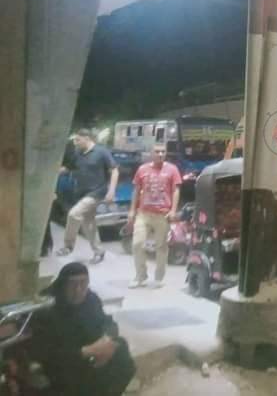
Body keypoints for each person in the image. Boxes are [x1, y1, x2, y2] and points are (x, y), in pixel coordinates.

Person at [33, 262, 136, 396]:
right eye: (73, 284)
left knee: (120, 347)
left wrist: (105, 341)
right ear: (63, 284)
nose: (78, 290)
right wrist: (87, 351)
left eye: (83, 283)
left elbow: (108, 322)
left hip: (93, 354)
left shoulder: (91, 299)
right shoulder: (47, 306)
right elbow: (46, 352)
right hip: (65, 363)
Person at [57, 129, 118, 264]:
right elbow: (68, 168)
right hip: (81, 193)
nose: (75, 142)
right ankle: (99, 251)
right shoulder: (78, 153)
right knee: (88, 224)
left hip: (96, 192)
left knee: (74, 214)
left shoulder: (101, 152)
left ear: (87, 138)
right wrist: (53, 172)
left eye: (78, 140)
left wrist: (111, 190)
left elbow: (114, 170)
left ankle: (68, 246)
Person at [128, 144, 182, 289]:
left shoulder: (172, 169)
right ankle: (141, 276)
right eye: (157, 151)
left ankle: (159, 277)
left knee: (161, 247)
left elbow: (176, 190)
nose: (160, 154)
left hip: (162, 214)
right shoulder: (142, 169)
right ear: (151, 153)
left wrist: (173, 210)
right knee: (137, 244)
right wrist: (132, 210)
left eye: (163, 151)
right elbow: (136, 190)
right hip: (143, 213)